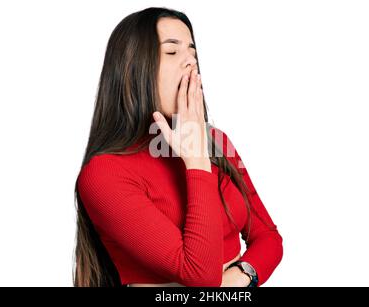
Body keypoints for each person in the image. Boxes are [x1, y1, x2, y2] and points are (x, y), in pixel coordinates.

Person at [73, 7, 283, 287]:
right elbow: (200, 276)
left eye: (193, 54)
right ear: (132, 68)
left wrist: (240, 278)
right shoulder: (103, 174)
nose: (190, 64)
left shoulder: (217, 142)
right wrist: (196, 160)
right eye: (172, 52)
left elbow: (269, 236)